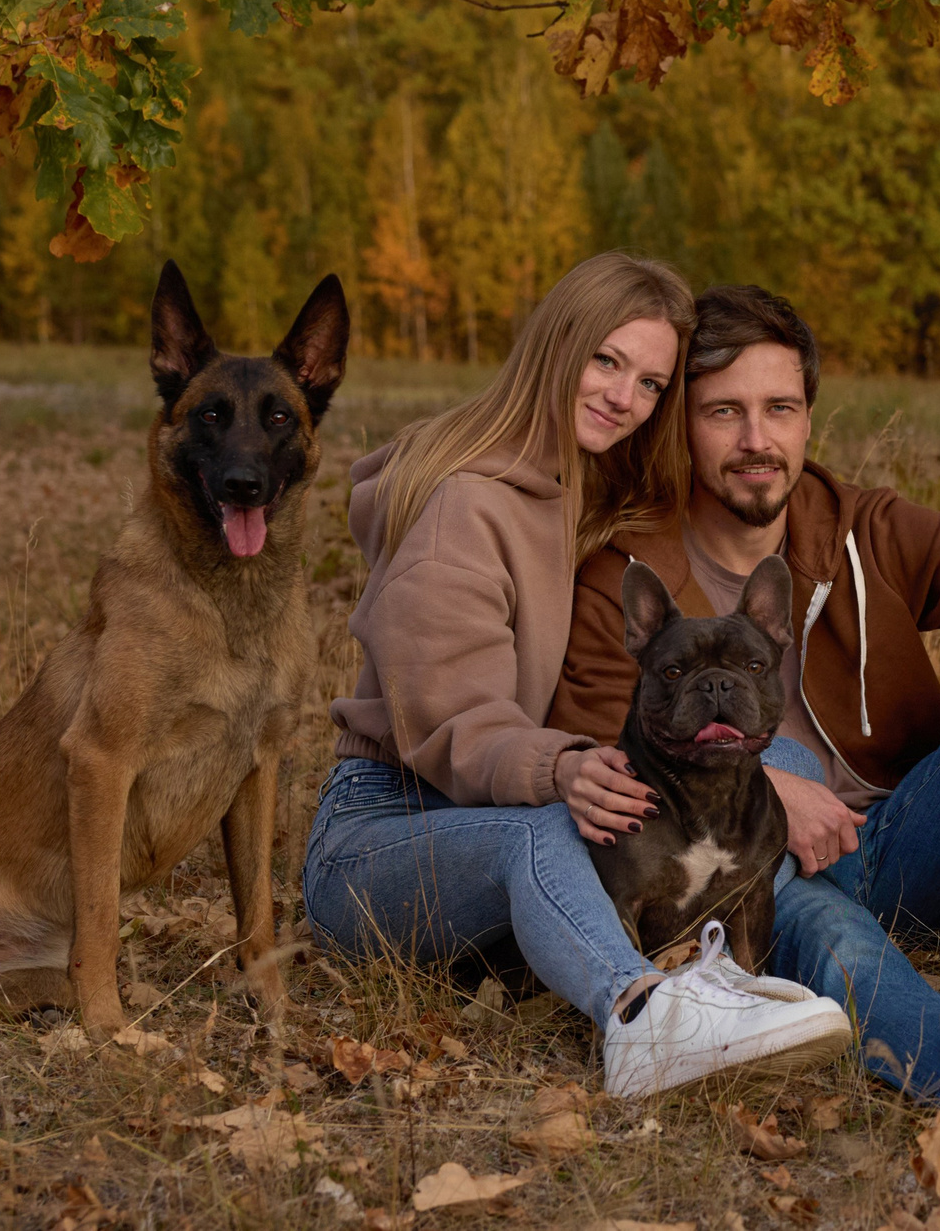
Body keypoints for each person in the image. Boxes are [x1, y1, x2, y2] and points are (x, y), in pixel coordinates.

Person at [551, 285, 940, 1148]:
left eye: (780, 408)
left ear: (807, 418)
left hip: (908, 845)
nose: (757, 439)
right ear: (679, 424)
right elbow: (597, 757)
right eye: (724, 411)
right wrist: (760, 784)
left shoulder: (863, 531)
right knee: (815, 869)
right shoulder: (625, 572)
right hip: (752, 866)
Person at [303, 254, 853, 1097]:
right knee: (548, 827)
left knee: (738, 785)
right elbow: (453, 720)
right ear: (557, 347)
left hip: (469, 826)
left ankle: (724, 978)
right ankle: (643, 1016)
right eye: (606, 361)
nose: (622, 397)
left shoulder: (574, 491)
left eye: (649, 383)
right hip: (379, 835)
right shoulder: (463, 506)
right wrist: (560, 766)